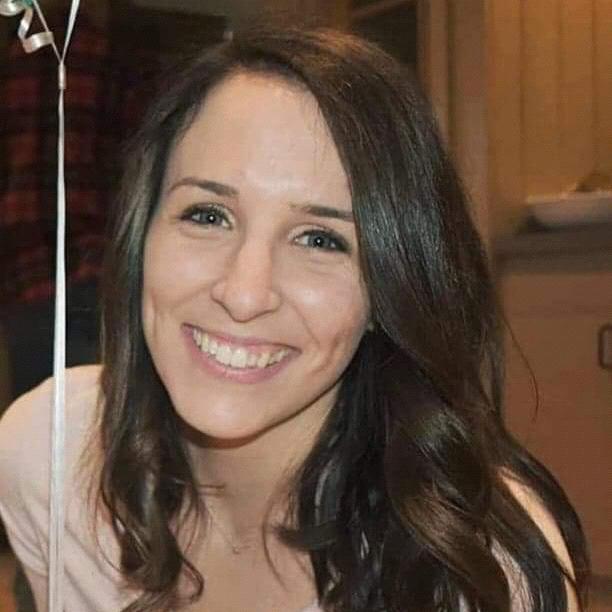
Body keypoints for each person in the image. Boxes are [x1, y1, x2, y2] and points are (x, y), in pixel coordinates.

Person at [0, 25, 589, 612]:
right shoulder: (50, 452)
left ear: (389, 289)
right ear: (140, 235)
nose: (244, 294)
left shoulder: (476, 567)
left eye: (320, 239)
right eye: (208, 215)